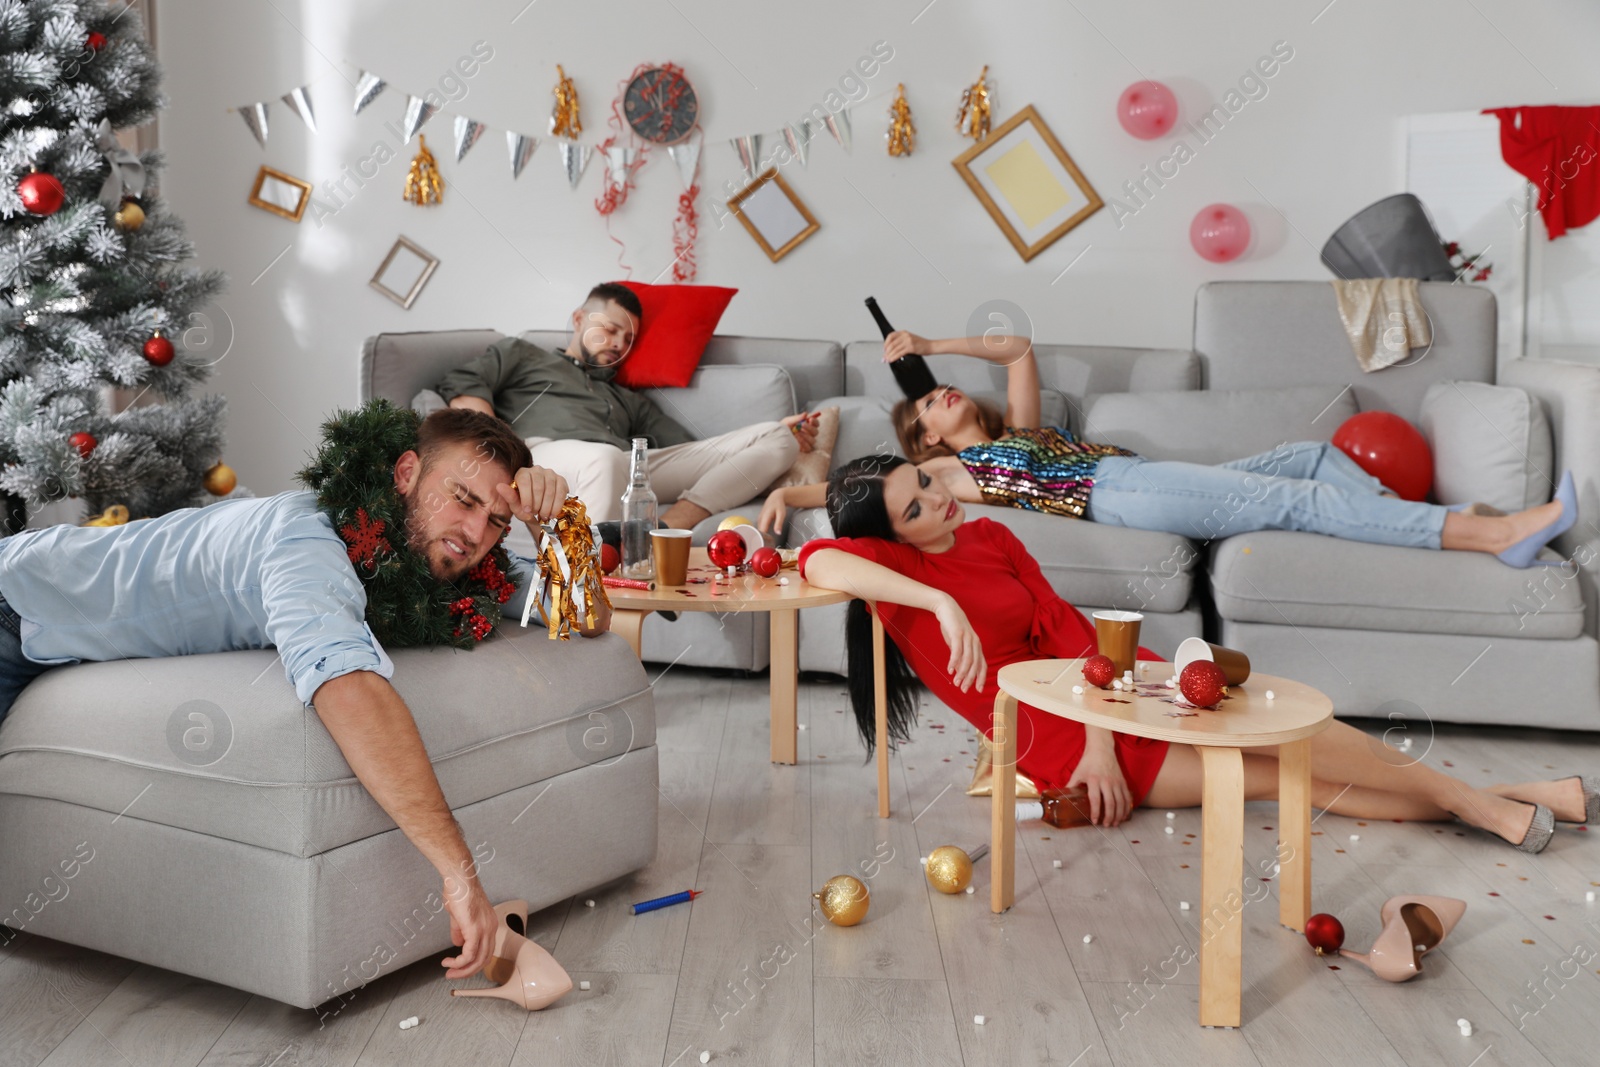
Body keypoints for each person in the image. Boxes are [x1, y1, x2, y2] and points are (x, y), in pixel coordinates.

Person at [0, 404, 603, 981]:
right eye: (463, 500)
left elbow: (588, 616)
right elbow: (347, 688)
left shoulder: (450, 555)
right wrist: (459, 876)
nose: (475, 532)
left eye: (496, 521)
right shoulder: (307, 538)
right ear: (406, 474)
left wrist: (560, 521)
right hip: (18, 600)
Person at [796, 453, 1592, 852]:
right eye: (915, 504)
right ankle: (1491, 800)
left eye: (927, 483)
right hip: (1069, 748)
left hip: (1108, 689)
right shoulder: (897, 576)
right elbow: (814, 562)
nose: (939, 497)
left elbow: (1065, 627)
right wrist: (936, 600)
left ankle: (1484, 800)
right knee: (1281, 772)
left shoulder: (990, 532)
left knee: (1282, 725)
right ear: (889, 534)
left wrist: (1107, 719)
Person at [761, 331, 1577, 568]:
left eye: (938, 385)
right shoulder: (947, 470)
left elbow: (1014, 349)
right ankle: (1490, 534)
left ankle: (1430, 523)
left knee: (1306, 457)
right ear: (927, 439)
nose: (938, 392)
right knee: (1296, 500)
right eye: (926, 405)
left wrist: (936, 339)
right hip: (1120, 498)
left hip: (1138, 473)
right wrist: (786, 495)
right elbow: (852, 490)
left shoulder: (1018, 428)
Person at [438, 282, 819, 527]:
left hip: (626, 467)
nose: (619, 343)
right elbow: (465, 383)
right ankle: (595, 593)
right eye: (609, 329)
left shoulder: (627, 399)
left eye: (627, 338)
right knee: (604, 459)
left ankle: (672, 526)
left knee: (777, 438)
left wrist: (767, 433)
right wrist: (497, 454)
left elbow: (695, 451)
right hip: (545, 455)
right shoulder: (523, 354)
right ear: (579, 319)